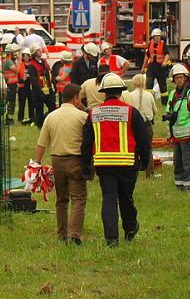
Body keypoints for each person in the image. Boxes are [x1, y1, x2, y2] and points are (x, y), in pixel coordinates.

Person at [81, 73, 151, 247]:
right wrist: (144, 159)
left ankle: (111, 238)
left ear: (104, 92)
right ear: (121, 91)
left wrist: (86, 165)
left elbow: (87, 143)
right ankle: (130, 229)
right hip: (127, 164)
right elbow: (143, 140)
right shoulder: (131, 112)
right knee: (126, 198)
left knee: (109, 198)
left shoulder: (94, 113)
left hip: (104, 164)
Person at [35, 83, 88, 244]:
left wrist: (37, 164)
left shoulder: (51, 116)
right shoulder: (82, 117)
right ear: (75, 98)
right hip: (76, 160)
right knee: (78, 198)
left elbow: (41, 143)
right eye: (80, 97)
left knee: (61, 199)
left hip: (57, 160)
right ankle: (74, 234)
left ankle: (62, 233)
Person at [165, 64, 190, 190]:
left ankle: (189, 186)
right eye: (177, 78)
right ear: (174, 79)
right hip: (176, 135)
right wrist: (169, 133)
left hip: (188, 136)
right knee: (178, 163)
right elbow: (168, 114)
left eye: (181, 77)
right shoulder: (172, 94)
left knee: (188, 163)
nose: (179, 80)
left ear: (185, 78)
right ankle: (179, 185)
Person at [121, 74, 157, 177]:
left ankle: (133, 172)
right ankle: (150, 173)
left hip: (133, 126)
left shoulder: (129, 95)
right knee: (148, 149)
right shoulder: (149, 95)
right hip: (147, 125)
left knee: (133, 150)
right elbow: (155, 111)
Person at [26, 44, 54, 127]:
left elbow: (48, 74)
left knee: (52, 107)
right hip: (38, 91)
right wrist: (39, 92)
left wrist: (51, 87)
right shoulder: (32, 65)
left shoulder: (44, 61)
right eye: (38, 50)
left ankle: (52, 123)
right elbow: (34, 81)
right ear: (34, 53)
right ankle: (40, 125)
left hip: (48, 89)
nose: (41, 51)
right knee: (39, 109)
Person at [143, 28, 169, 105]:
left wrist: (164, 61)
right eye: (156, 36)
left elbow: (167, 54)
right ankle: (149, 102)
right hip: (151, 66)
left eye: (159, 36)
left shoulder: (163, 44)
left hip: (160, 67)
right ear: (153, 37)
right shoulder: (149, 44)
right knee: (149, 84)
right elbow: (147, 56)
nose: (158, 38)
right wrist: (144, 67)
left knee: (163, 86)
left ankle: (164, 103)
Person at [3, 43, 20, 124]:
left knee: (10, 101)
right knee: (11, 101)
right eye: (14, 52)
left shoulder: (8, 60)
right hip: (10, 84)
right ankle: (9, 118)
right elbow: (17, 70)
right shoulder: (8, 61)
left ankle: (9, 117)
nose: (15, 54)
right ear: (10, 53)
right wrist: (19, 61)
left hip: (11, 83)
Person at [17, 49, 32, 125]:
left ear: (30, 56)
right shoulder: (20, 64)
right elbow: (17, 77)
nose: (25, 57)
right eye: (24, 56)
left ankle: (31, 117)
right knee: (21, 103)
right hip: (22, 86)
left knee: (31, 103)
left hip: (31, 86)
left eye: (26, 56)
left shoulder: (32, 64)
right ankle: (20, 118)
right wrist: (22, 79)